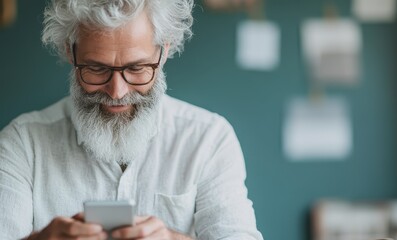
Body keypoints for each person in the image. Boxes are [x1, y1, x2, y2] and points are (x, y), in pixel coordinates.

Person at [0, 0, 264, 239]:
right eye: (97, 68)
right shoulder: (22, 144)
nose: (117, 92)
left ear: (163, 53)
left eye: (136, 68)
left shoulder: (209, 139)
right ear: (71, 53)